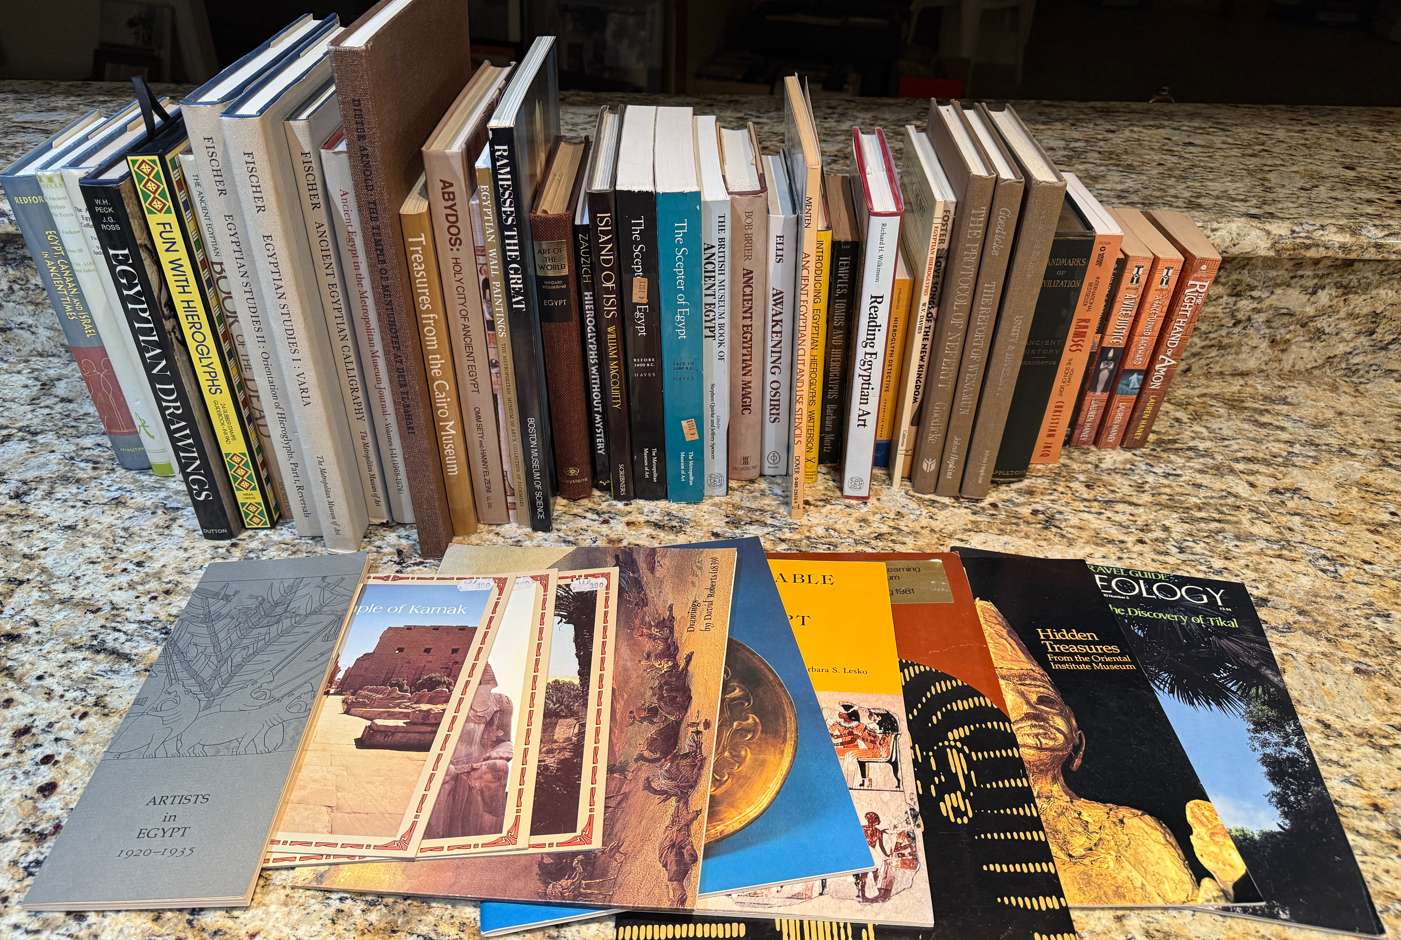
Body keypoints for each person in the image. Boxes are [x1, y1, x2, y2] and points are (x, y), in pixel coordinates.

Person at [976, 599, 1230, 906]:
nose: (1028, 711)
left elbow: (1183, 910)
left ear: (1078, 740)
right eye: (1002, 704)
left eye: (1045, 700)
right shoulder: (966, 831)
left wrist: (1227, 881)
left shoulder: (1135, 826)